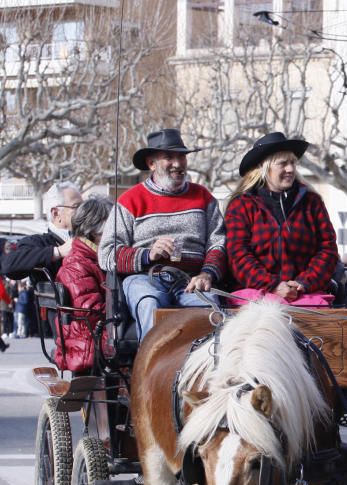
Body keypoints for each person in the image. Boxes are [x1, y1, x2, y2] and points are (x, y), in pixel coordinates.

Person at [98, 129, 226, 339]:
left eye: (182, 156)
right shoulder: (129, 201)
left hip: (192, 280)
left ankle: (207, 370)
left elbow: (218, 243)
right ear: (151, 163)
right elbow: (107, 255)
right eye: (169, 157)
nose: (177, 163)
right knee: (149, 303)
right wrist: (148, 254)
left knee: (209, 312)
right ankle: (149, 368)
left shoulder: (204, 197)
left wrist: (207, 274)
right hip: (144, 278)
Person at [226, 132, 338, 307]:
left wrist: (303, 283)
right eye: (283, 164)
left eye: (293, 163)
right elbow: (238, 255)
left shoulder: (312, 202)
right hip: (255, 296)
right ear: (264, 167)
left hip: (305, 295)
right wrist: (273, 285)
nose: (290, 169)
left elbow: (327, 249)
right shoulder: (242, 205)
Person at [53, 196, 114, 372]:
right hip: (87, 339)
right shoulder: (77, 264)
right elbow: (91, 311)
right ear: (95, 231)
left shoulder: (95, 258)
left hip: (94, 332)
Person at [1, 181, 82, 281]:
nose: (84, 211)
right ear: (56, 214)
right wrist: (58, 252)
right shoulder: (39, 242)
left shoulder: (90, 238)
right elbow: (9, 265)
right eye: (77, 206)